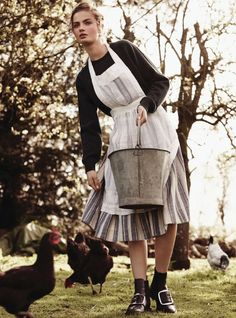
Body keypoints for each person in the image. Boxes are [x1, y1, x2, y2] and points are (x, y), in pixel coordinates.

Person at [71, 1, 189, 315]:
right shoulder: (84, 79)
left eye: (87, 22)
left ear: (98, 24)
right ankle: (140, 291)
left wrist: (148, 104)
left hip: (158, 134)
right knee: (132, 214)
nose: (81, 28)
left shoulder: (124, 50)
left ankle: (160, 286)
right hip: (123, 142)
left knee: (168, 212)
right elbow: (89, 126)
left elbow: (160, 82)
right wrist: (90, 165)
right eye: (76, 25)